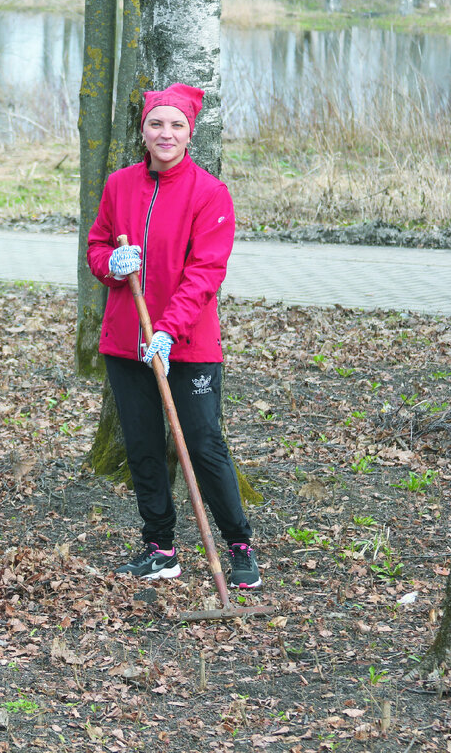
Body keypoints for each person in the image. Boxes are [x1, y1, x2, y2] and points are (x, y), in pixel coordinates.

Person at [85, 83, 262, 590]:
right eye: (156, 124)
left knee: (204, 444)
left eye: (176, 125)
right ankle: (160, 547)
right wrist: (112, 266)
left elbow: (206, 273)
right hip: (126, 341)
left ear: (190, 133)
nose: (166, 133)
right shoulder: (119, 185)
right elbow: (98, 246)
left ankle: (239, 543)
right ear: (142, 131)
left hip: (187, 345)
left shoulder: (210, 193)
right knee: (142, 446)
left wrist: (167, 330)